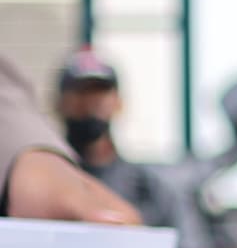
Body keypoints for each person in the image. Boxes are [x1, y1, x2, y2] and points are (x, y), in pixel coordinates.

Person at [1, 54, 144, 226]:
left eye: (100, 91)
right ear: (58, 102)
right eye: (80, 91)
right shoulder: (31, 181)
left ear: (119, 102)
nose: (90, 102)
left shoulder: (149, 190)